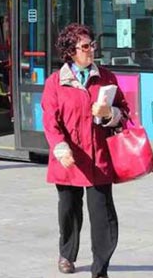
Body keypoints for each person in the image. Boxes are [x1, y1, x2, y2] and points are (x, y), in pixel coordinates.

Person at [42, 23, 130, 278]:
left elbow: (124, 113)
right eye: (84, 46)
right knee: (69, 211)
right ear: (70, 51)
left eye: (92, 45)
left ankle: (100, 269)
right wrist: (60, 148)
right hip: (68, 158)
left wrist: (109, 114)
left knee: (103, 217)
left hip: (98, 157)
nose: (90, 50)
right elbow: (50, 120)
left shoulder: (106, 77)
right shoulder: (55, 83)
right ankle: (67, 254)